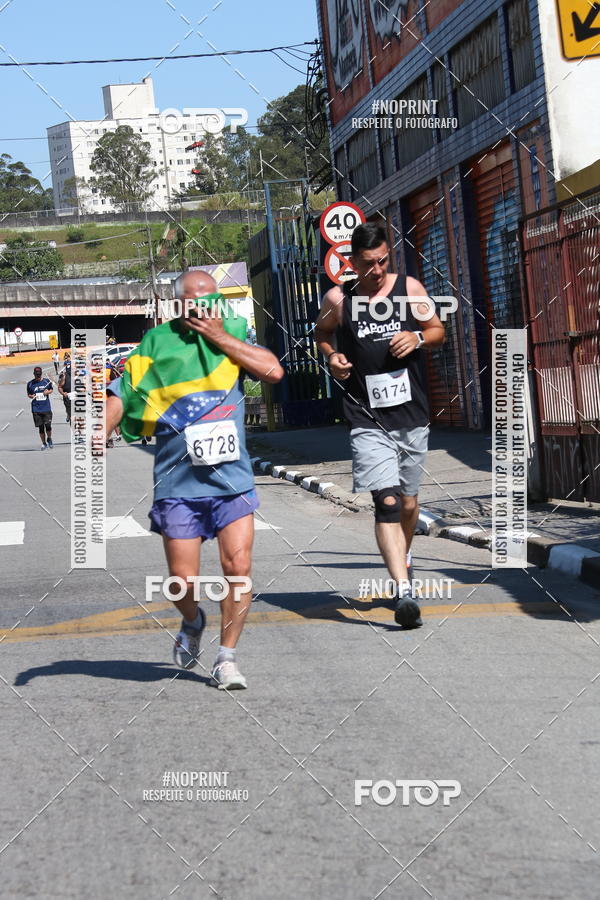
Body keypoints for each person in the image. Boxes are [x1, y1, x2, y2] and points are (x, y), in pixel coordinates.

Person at [105, 270, 284, 689]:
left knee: (237, 568)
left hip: (232, 481)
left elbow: (273, 372)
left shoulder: (235, 331)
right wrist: (102, 430)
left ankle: (227, 658)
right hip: (178, 482)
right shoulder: (155, 343)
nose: (202, 305)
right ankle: (192, 619)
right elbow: (122, 393)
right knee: (182, 582)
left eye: (209, 298)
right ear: (177, 303)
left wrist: (220, 337)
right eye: (193, 299)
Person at [315, 223, 446, 628]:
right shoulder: (339, 298)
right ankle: (404, 592)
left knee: (407, 502)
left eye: (383, 260)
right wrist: (332, 357)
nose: (377, 269)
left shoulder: (410, 289)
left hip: (410, 414)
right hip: (365, 415)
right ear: (352, 263)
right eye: (369, 263)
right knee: (386, 502)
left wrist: (418, 339)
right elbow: (321, 334)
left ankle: (404, 560)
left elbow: (438, 329)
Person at [26, 365, 54, 450]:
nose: (38, 376)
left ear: (41, 374)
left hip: (46, 408)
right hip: (36, 409)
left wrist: (47, 392)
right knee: (41, 427)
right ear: (34, 374)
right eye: (36, 375)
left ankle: (49, 438)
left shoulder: (46, 381)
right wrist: (31, 396)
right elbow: (29, 394)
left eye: (39, 375)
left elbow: (51, 389)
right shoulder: (30, 384)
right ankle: (44, 443)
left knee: (48, 426)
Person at [57, 353, 72, 424]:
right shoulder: (65, 375)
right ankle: (68, 415)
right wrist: (63, 393)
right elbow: (59, 386)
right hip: (68, 396)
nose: (67, 358)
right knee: (70, 412)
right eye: (65, 357)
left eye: (67, 357)